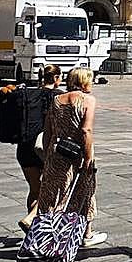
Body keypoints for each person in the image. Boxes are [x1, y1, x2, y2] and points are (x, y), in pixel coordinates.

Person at [38, 68, 106, 247]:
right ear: (84, 82)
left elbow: (47, 130)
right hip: (78, 153)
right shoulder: (88, 100)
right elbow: (86, 130)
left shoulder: (57, 100)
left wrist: (47, 154)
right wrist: (88, 157)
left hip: (57, 152)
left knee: (52, 193)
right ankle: (87, 234)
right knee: (86, 191)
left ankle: (46, 233)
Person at [17, 65, 62, 232]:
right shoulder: (61, 97)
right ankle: (32, 221)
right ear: (56, 78)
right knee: (51, 188)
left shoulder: (28, 94)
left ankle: (33, 229)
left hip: (25, 147)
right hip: (45, 147)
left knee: (35, 189)